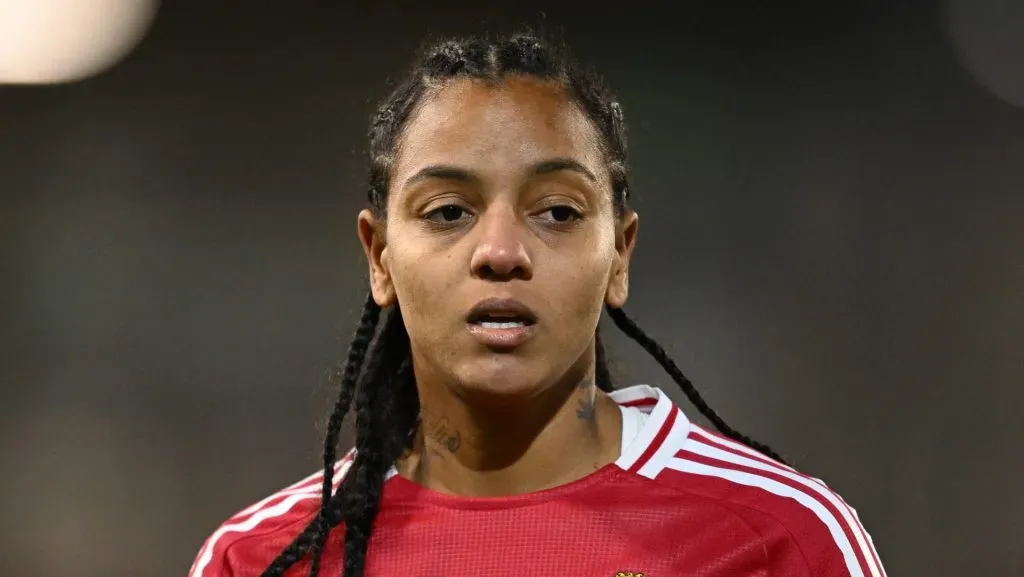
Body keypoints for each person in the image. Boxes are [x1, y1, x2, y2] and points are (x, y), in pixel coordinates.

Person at [188, 32, 886, 577]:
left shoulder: (782, 537)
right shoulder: (257, 558)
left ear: (620, 255)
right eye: (448, 210)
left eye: (556, 211)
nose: (500, 250)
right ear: (379, 258)